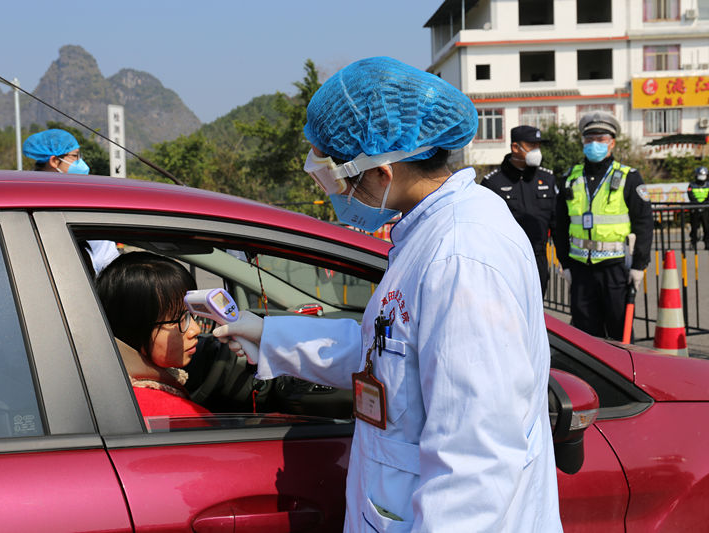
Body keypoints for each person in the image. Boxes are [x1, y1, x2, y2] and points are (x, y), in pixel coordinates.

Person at [215, 57, 561, 532]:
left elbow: (475, 464)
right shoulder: (428, 234)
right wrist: (271, 336)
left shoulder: (461, 256)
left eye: (336, 178)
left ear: (382, 171)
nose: (336, 195)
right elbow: (390, 355)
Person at [554, 111, 653, 340]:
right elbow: (560, 225)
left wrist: (639, 265)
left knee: (621, 332)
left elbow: (644, 223)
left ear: (612, 143)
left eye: (600, 140)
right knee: (585, 336)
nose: (594, 145)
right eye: (589, 139)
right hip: (580, 269)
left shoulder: (629, 177)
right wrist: (565, 264)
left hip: (615, 269)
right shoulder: (570, 177)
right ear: (582, 142)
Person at [95, 251, 210, 417]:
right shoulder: (174, 414)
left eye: (191, 315)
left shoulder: (108, 385)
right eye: (177, 320)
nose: (195, 330)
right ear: (134, 328)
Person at [22, 128, 119, 274]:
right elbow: (106, 260)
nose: (81, 163)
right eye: (75, 156)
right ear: (54, 161)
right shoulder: (80, 200)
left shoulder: (23, 193)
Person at [481, 125, 557, 295]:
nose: (537, 151)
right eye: (532, 146)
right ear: (515, 147)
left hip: (538, 259)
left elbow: (557, 223)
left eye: (538, 146)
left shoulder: (547, 178)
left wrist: (566, 264)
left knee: (538, 312)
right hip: (506, 261)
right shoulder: (493, 183)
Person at [687, 166, 709, 251]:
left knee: (707, 227)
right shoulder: (692, 185)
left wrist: (704, 203)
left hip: (706, 209)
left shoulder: (708, 184)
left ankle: (707, 243)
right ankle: (693, 243)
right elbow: (690, 195)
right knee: (694, 227)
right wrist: (697, 203)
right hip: (695, 208)